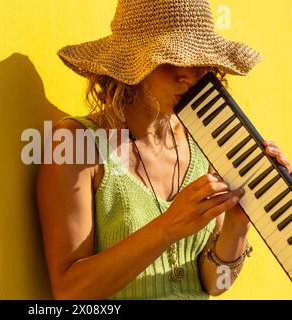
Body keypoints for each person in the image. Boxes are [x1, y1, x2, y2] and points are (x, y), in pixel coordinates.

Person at [36, 0, 292, 300]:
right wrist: (168, 227)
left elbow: (214, 284)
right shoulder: (76, 144)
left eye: (199, 61)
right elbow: (69, 290)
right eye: (171, 59)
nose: (188, 75)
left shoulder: (205, 145)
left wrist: (239, 221)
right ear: (133, 62)